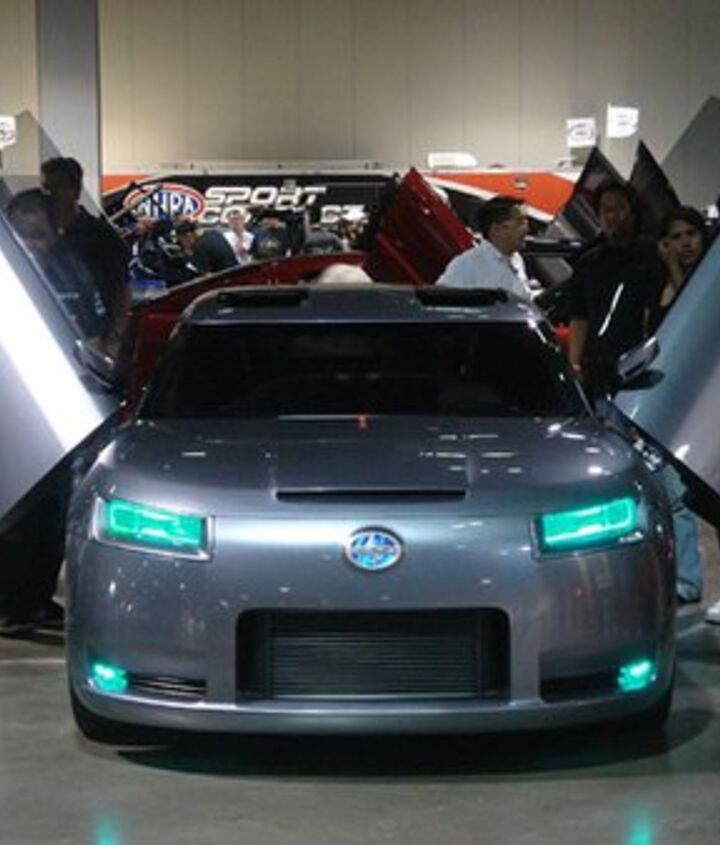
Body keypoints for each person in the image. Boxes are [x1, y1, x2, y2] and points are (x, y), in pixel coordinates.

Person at [568, 180, 663, 398]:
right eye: (606, 210)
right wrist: (574, 363)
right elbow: (579, 316)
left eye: (620, 208)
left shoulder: (652, 256)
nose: (613, 216)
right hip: (597, 369)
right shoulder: (588, 262)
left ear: (632, 213)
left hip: (640, 364)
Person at [40, 157, 130, 347]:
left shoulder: (101, 236)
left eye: (58, 187)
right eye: (47, 188)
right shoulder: (38, 235)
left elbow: (121, 289)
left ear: (76, 190)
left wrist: (115, 338)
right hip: (48, 333)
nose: (51, 194)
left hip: (93, 336)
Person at [436, 195, 532, 298]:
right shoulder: (466, 264)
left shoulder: (516, 259)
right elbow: (440, 301)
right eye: (520, 223)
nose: (527, 229)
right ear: (496, 229)